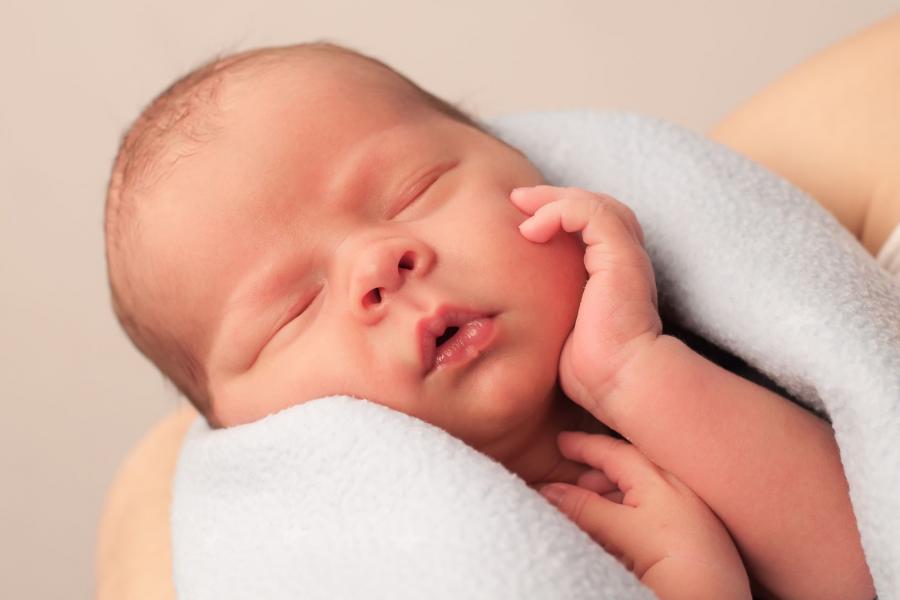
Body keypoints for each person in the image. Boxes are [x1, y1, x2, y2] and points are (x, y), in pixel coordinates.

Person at [101, 21, 900, 598]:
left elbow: (875, 551)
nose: (379, 263)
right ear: (253, 435)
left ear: (524, 163)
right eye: (294, 309)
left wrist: (633, 373)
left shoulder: (697, 359)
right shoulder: (368, 560)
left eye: (412, 190)